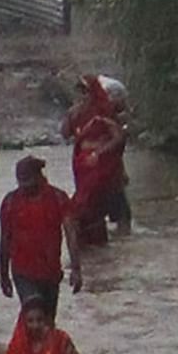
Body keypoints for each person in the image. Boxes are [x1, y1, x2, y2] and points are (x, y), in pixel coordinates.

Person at [0, 154, 77, 317]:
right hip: (22, 272)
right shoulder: (10, 202)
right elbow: (5, 240)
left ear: (39, 176)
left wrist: (76, 268)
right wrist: (4, 275)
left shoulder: (58, 198)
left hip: (51, 272)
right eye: (21, 182)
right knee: (34, 314)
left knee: (47, 322)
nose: (24, 187)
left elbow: (71, 234)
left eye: (28, 181)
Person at [66, 71, 131, 241]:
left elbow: (118, 138)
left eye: (85, 92)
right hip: (85, 170)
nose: (82, 96)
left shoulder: (103, 111)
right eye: (80, 92)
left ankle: (122, 244)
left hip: (106, 170)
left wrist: (98, 153)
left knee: (119, 211)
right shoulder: (77, 114)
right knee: (90, 210)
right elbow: (65, 133)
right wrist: (70, 114)